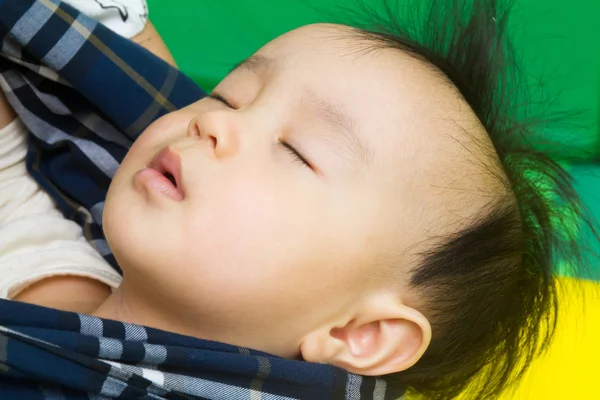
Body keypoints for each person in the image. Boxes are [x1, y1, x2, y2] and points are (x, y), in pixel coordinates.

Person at [1, 0, 595, 398]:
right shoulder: (77, 299)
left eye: (296, 152)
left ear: (357, 335)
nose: (214, 125)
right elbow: (29, 211)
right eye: (230, 96)